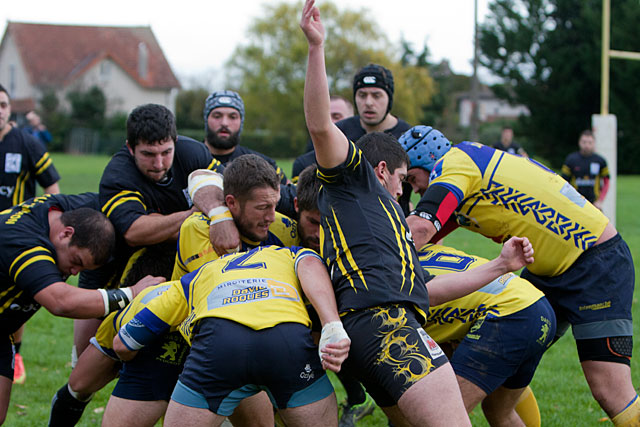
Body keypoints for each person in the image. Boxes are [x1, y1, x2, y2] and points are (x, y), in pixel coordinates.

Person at [300, 3, 536, 425]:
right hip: (386, 325)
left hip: (385, 326)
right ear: (384, 170)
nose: (406, 189)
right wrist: (317, 48)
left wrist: (501, 266)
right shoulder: (359, 183)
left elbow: (430, 291)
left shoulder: (389, 229)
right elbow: (321, 126)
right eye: (404, 179)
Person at [401, 125, 639, 426]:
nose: (415, 188)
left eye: (411, 179)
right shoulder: (465, 167)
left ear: (428, 160)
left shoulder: (454, 164)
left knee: (610, 390)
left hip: (595, 264)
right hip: (549, 271)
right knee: (499, 380)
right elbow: (429, 236)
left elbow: (420, 230)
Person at [113, 245, 352, 427]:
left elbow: (123, 344)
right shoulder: (288, 253)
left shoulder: (189, 280)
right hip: (286, 339)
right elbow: (310, 263)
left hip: (218, 345)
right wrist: (332, 325)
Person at [0, 193, 151, 425]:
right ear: (66, 233)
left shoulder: (72, 211)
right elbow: (61, 301)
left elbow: (118, 201)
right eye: (77, 261)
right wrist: (131, 294)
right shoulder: (22, 239)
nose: (73, 273)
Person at [420, 243, 555, 426]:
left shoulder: (386, 281)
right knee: (499, 411)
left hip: (509, 315)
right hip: (537, 304)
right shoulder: (420, 249)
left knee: (438, 418)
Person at [0, 85, 62, 385]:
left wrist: (51, 225)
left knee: (16, 301)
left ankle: (16, 354)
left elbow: (52, 186)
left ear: (10, 109)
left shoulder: (26, 142)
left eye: (2, 105)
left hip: (16, 239)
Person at [291, 64, 411, 183]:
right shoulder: (340, 132)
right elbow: (304, 164)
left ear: (389, 99)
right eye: (362, 95)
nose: (368, 102)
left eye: (376, 95)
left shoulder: (407, 136)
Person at [203, 90, 288, 184]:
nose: (224, 123)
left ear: (241, 121)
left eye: (232, 117)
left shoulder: (260, 164)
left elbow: (290, 192)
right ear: (206, 119)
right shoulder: (188, 158)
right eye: (217, 116)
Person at [561, 129, 610, 210]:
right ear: (579, 142)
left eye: (590, 142)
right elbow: (563, 182)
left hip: (594, 205)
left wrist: (600, 201)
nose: (586, 145)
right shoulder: (571, 160)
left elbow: (606, 183)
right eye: (584, 142)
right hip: (575, 204)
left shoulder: (600, 161)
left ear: (594, 143)